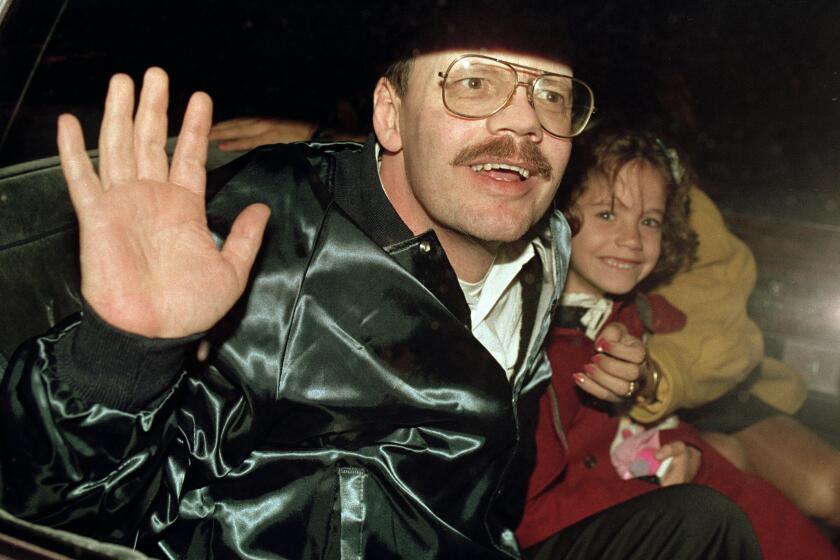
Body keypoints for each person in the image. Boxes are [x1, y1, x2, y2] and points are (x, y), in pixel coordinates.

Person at [0, 8, 761, 559]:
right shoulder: (261, 236)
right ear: (391, 118)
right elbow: (52, 513)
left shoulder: (551, 244)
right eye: (474, 83)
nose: (524, 123)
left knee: (703, 523)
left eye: (551, 96)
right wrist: (124, 356)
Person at [515, 128, 839, 559]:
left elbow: (728, 340)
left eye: (648, 221)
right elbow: (540, 506)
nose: (632, 238)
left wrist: (682, 446)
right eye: (608, 215)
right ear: (557, 214)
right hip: (646, 514)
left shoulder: (636, 310)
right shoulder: (542, 343)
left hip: (691, 482)